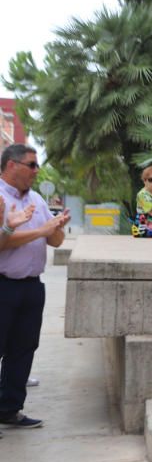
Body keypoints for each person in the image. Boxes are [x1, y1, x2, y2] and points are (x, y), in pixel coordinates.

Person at [0, 144, 70, 431]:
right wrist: (40, 230)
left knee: (23, 348)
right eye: (31, 164)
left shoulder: (38, 199)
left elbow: (54, 242)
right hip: (3, 285)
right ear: (11, 165)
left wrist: (56, 227)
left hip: (31, 287)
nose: (36, 170)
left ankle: (9, 408)